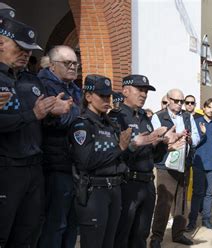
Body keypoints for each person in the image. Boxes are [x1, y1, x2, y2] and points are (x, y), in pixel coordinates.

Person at [0, 18, 71, 247]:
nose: (25, 54)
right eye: (20, 47)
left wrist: (53, 113)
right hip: (6, 168)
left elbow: (42, 120)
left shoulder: (32, 81)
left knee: (28, 232)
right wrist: (33, 114)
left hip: (34, 168)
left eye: (29, 50)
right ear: (1, 42)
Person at [69, 74, 153, 248]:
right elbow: (86, 161)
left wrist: (132, 147)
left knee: (111, 242)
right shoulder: (82, 124)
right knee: (94, 242)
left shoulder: (109, 124)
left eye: (109, 95)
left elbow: (119, 158)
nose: (107, 99)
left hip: (114, 189)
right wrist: (122, 147)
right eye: (102, 95)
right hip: (95, 191)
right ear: (89, 96)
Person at [110, 74, 166, 248]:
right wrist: (134, 145)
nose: (143, 94)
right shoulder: (116, 117)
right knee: (123, 233)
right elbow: (114, 155)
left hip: (147, 183)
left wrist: (161, 144)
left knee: (142, 234)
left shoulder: (144, 117)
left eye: (146, 91)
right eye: (139, 90)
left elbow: (153, 156)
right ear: (125, 91)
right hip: (128, 183)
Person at [38, 45, 81, 248]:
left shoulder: (74, 88)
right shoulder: (43, 85)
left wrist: (70, 113)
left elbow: (79, 120)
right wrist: (72, 115)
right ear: (53, 66)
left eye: (75, 63)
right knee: (56, 224)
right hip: (55, 166)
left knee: (72, 224)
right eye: (67, 63)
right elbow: (54, 121)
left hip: (74, 165)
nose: (73, 67)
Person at [149, 88, 200, 248]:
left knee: (182, 202)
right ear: (168, 100)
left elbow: (197, 138)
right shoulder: (158, 116)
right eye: (176, 101)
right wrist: (167, 139)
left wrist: (191, 138)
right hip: (166, 165)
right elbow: (153, 139)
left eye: (182, 101)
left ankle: (178, 234)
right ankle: (156, 237)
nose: (179, 104)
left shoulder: (187, 116)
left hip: (184, 164)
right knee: (164, 203)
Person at [186, 98, 212, 232]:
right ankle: (192, 221)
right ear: (204, 108)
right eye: (209, 107)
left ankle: (206, 220)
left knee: (209, 194)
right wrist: (202, 134)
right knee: (197, 193)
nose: (211, 110)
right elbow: (192, 144)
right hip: (199, 162)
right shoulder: (195, 122)